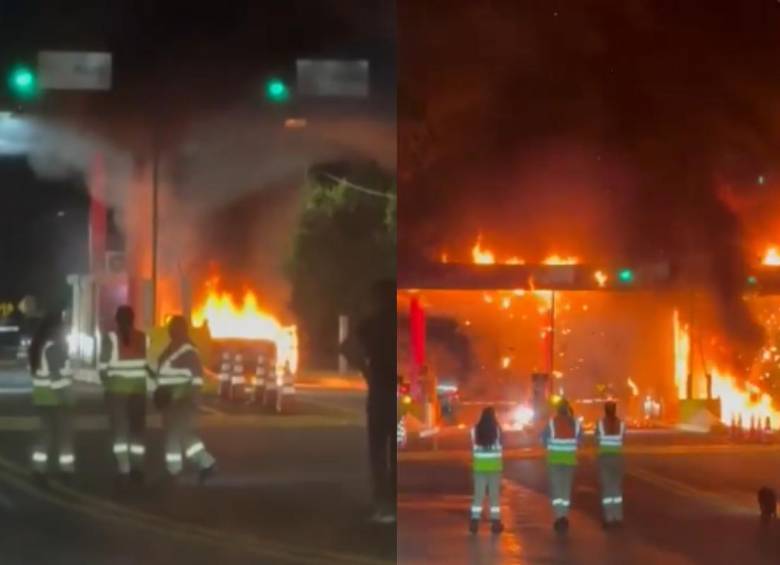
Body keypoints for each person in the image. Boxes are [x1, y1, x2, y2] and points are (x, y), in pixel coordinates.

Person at [347, 278, 396, 524]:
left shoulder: (371, 323)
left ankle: (384, 505)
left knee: (378, 451)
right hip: (399, 395)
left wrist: (366, 371)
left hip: (380, 394)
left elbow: (347, 347)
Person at [155, 316, 216, 483]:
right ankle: (205, 463)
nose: (169, 331)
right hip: (170, 401)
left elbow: (196, 379)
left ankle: (174, 469)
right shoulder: (174, 348)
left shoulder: (188, 351)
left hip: (182, 400)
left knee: (174, 434)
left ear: (180, 329)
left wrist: (193, 400)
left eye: (172, 328)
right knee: (181, 434)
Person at [99, 306, 150, 484]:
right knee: (137, 432)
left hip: (116, 392)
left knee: (119, 432)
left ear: (116, 320)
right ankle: (138, 468)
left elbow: (103, 369)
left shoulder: (110, 338)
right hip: (138, 391)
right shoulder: (143, 337)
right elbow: (144, 362)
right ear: (133, 319)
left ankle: (124, 469)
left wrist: (106, 384)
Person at [29, 312, 75, 483]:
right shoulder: (54, 347)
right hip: (56, 397)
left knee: (45, 435)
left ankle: (38, 469)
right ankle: (66, 471)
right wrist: (66, 397)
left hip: (42, 396)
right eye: (62, 325)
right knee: (65, 435)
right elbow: (57, 377)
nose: (65, 328)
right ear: (56, 328)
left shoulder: (38, 346)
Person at [542, 399, 582, 533]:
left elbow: (542, 439)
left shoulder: (552, 423)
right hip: (569, 460)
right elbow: (580, 441)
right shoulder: (575, 423)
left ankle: (559, 517)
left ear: (557, 409)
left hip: (555, 460)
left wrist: (550, 446)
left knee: (557, 490)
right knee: (565, 490)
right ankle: (564, 516)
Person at [470, 407, 504, 534]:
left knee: (478, 495)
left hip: (479, 466)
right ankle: (495, 523)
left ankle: (474, 521)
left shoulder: (475, 429)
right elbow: (502, 444)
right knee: (494, 496)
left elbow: (473, 444)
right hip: (494, 466)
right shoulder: (498, 430)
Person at [596, 401, 625, 527]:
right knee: (616, 487)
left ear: (605, 410)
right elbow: (623, 438)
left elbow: (597, 438)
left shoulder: (601, 424)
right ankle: (618, 517)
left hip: (605, 457)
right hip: (618, 458)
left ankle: (609, 518)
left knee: (607, 488)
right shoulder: (621, 424)